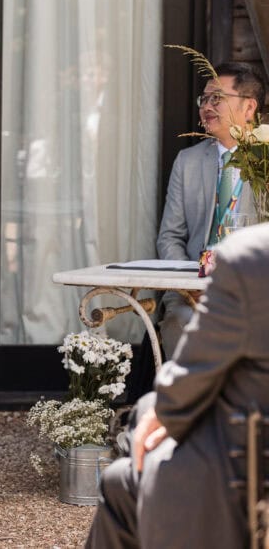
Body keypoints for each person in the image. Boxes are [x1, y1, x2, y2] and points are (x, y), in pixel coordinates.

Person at [86, 223, 269, 548]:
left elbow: (188, 380)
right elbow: (169, 235)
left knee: (121, 478)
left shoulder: (252, 258)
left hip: (245, 494)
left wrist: (154, 415)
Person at [155, 62, 265, 357]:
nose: (207, 106)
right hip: (192, 289)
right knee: (181, 320)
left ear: (249, 107)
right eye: (204, 99)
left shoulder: (265, 158)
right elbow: (170, 236)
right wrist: (188, 283)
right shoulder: (188, 161)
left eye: (217, 98)